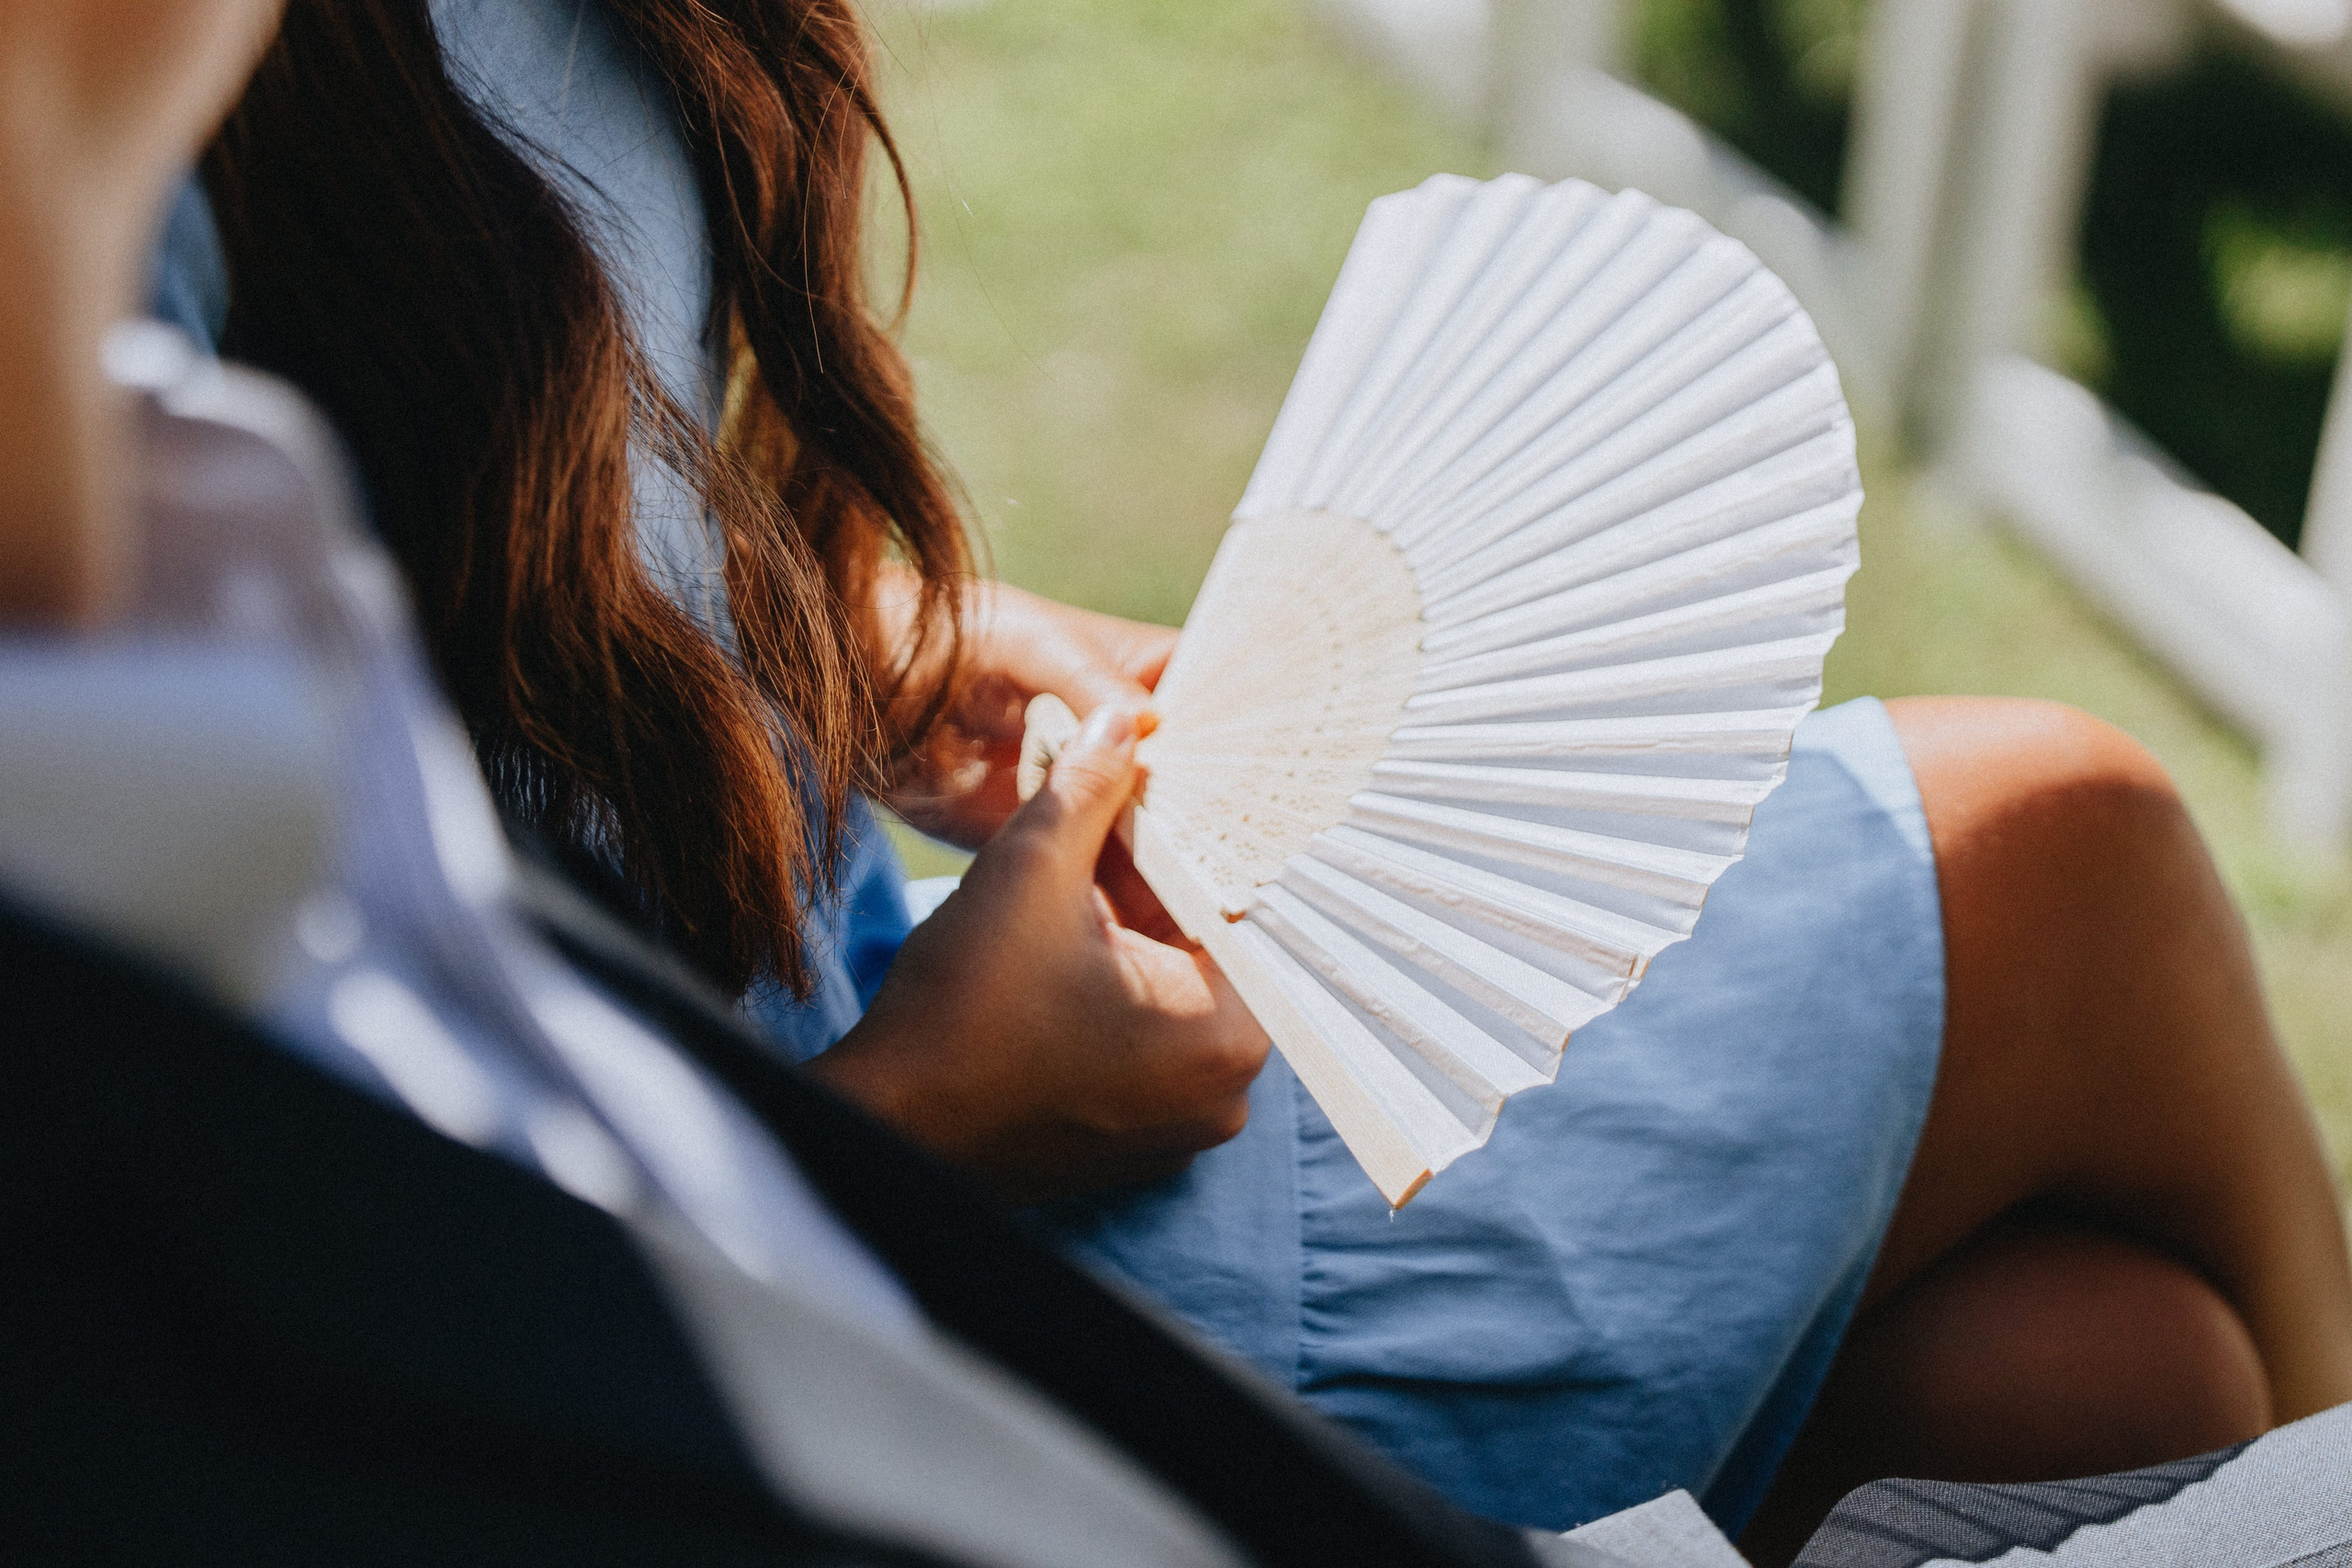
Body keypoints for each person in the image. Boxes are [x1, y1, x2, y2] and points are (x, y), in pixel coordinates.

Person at [153, 0, 2352, 1551]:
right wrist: (930, 1119)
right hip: (795, 1290)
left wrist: (850, 651)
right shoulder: (100, 194)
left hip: (848, 1049)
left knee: (2090, 1378)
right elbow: (197, 1339)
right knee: (2062, 847)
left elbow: (518, 494)